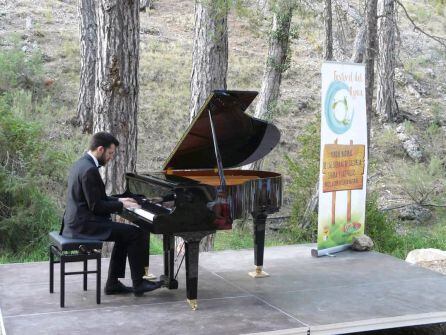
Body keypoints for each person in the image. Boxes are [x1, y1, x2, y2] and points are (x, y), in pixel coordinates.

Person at [61, 132, 161, 296]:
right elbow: (96, 206)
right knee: (135, 233)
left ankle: (113, 283)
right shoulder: (89, 170)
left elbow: (95, 198)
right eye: (110, 153)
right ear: (100, 149)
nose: (111, 157)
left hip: (77, 222)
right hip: (85, 225)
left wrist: (120, 199)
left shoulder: (82, 164)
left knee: (125, 234)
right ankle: (139, 283)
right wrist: (120, 204)